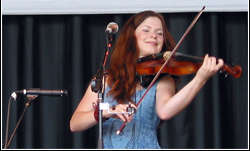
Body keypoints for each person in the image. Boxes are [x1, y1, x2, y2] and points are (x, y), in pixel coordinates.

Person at [70, 11, 224, 149]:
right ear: (131, 37)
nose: (154, 36)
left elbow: (165, 111)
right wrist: (106, 112)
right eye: (146, 30)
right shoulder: (105, 79)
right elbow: (75, 123)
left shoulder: (162, 79)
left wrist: (200, 79)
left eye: (159, 33)